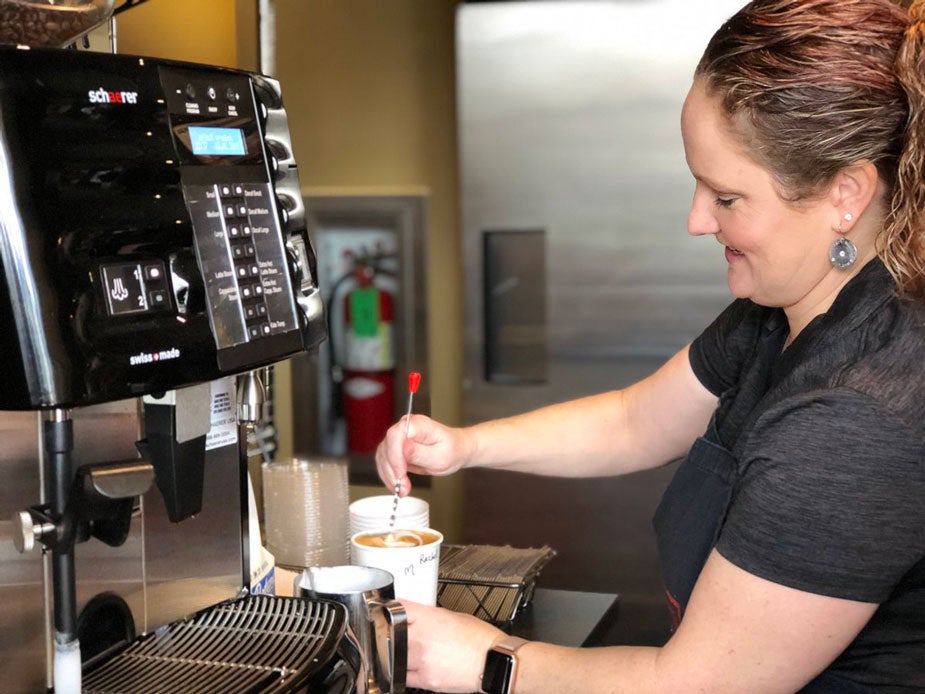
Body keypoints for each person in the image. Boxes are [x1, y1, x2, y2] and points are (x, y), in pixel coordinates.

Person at [374, 0, 925, 691]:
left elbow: (694, 685)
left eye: (725, 197)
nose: (696, 220)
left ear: (845, 193)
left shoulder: (857, 413)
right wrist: (466, 445)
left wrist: (487, 662)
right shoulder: (783, 312)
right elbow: (634, 420)